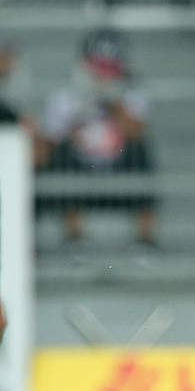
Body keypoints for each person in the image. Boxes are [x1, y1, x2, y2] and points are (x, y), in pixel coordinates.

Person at [38, 29, 157, 247]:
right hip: (81, 171)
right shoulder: (64, 98)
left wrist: (112, 103)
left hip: (118, 170)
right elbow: (48, 145)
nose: (103, 74)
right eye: (98, 66)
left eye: (110, 68)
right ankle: (74, 237)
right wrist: (79, 114)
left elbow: (138, 132)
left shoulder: (131, 96)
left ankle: (145, 240)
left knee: (141, 153)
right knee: (61, 158)